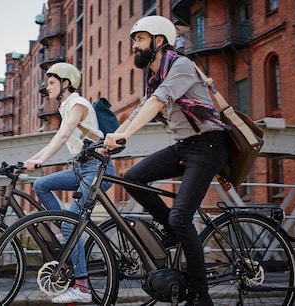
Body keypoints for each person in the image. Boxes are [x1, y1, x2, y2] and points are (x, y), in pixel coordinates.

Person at [104, 15, 229, 306]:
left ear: (159, 41)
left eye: (140, 39)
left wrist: (125, 137)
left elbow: (159, 102)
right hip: (185, 146)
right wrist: (113, 137)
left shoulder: (181, 66)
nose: (134, 45)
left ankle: (201, 295)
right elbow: (141, 110)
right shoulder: (154, 75)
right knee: (132, 178)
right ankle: (171, 230)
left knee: (182, 217)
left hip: (209, 146)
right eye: (134, 40)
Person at [24, 62, 116, 304]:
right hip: (83, 169)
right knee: (41, 185)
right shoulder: (66, 106)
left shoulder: (77, 104)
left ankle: (83, 287)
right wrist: (32, 160)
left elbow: (62, 135)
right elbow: (59, 137)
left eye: (52, 83)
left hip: (97, 170)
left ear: (66, 84)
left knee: (70, 226)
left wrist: (40, 160)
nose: (48, 87)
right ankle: (65, 232)